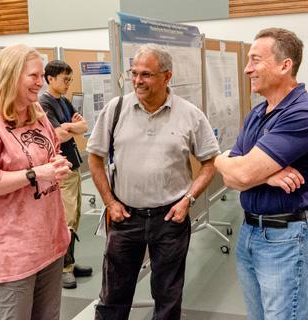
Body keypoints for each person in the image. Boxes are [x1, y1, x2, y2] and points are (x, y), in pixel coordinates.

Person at [87, 44, 219, 320]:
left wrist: (188, 201)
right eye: (134, 73)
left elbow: (209, 163)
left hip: (170, 219)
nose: (137, 81)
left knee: (168, 297)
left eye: (146, 74)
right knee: (113, 297)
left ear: (166, 76)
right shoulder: (116, 109)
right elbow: (94, 157)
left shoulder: (190, 114)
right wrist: (109, 202)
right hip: (124, 218)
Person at [215, 28, 308, 320]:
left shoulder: (304, 114)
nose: (247, 68)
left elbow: (239, 175)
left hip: (286, 238)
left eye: (255, 59)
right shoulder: (257, 113)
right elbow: (230, 173)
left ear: (284, 65)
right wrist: (263, 175)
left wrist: (242, 169)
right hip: (251, 232)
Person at [0, 44, 72, 319]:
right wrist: (37, 174)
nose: (40, 82)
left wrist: (57, 163)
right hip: (11, 253)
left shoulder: (36, 113)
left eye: (41, 75)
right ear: (10, 75)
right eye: (32, 76)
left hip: (49, 244)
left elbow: (51, 151)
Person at [40, 60, 93, 289]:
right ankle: (64, 268)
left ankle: (70, 260)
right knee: (66, 220)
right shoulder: (44, 103)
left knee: (75, 216)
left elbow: (83, 126)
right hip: (60, 168)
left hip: (73, 165)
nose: (68, 84)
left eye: (70, 79)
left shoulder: (64, 101)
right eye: (65, 80)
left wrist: (69, 128)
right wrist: (71, 129)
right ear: (50, 78)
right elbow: (57, 136)